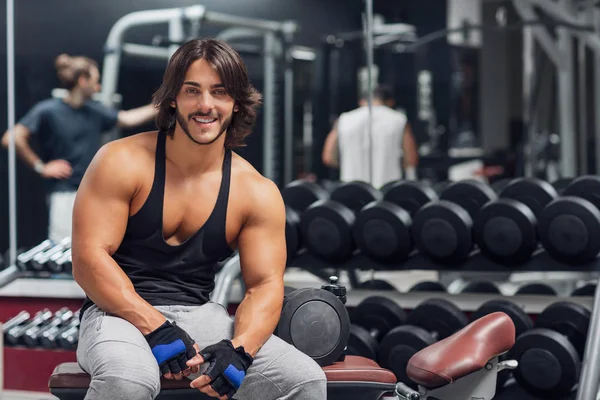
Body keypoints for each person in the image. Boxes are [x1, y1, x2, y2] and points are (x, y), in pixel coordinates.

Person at [70, 38, 327, 400]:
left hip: (201, 315)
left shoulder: (256, 190)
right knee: (128, 380)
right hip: (116, 314)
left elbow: (264, 285)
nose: (205, 105)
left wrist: (242, 349)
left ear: (236, 102)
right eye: (193, 91)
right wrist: (155, 326)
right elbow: (88, 259)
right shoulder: (120, 161)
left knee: (304, 380)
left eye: (219, 92)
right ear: (173, 97)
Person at [1, 54, 157, 243]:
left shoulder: (94, 110)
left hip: (93, 192)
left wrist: (163, 104)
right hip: (65, 194)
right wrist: (41, 167)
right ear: (83, 81)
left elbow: (127, 119)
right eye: (95, 81)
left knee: (95, 247)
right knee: (65, 251)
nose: (98, 87)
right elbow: (11, 138)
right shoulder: (48, 110)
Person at [321, 85, 419, 188]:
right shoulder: (399, 120)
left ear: (361, 101)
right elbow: (411, 159)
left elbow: (329, 157)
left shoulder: (344, 119)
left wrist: (349, 165)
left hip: (351, 189)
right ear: (390, 101)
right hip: (387, 189)